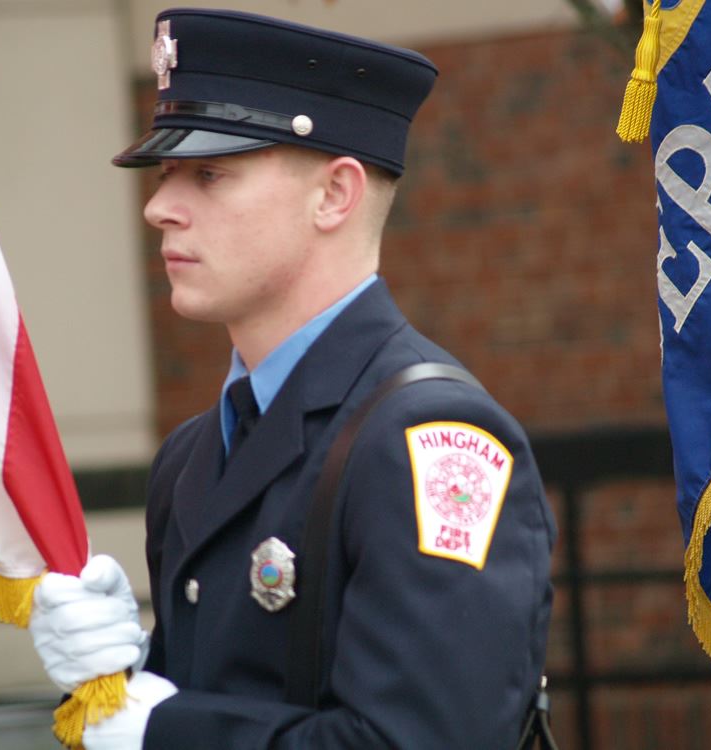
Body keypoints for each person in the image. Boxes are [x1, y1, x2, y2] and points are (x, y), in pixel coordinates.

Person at [29, 8, 557, 749]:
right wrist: (118, 672)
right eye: (167, 174)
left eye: (210, 174)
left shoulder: (430, 440)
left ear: (334, 196)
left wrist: (163, 732)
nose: (158, 208)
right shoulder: (192, 455)